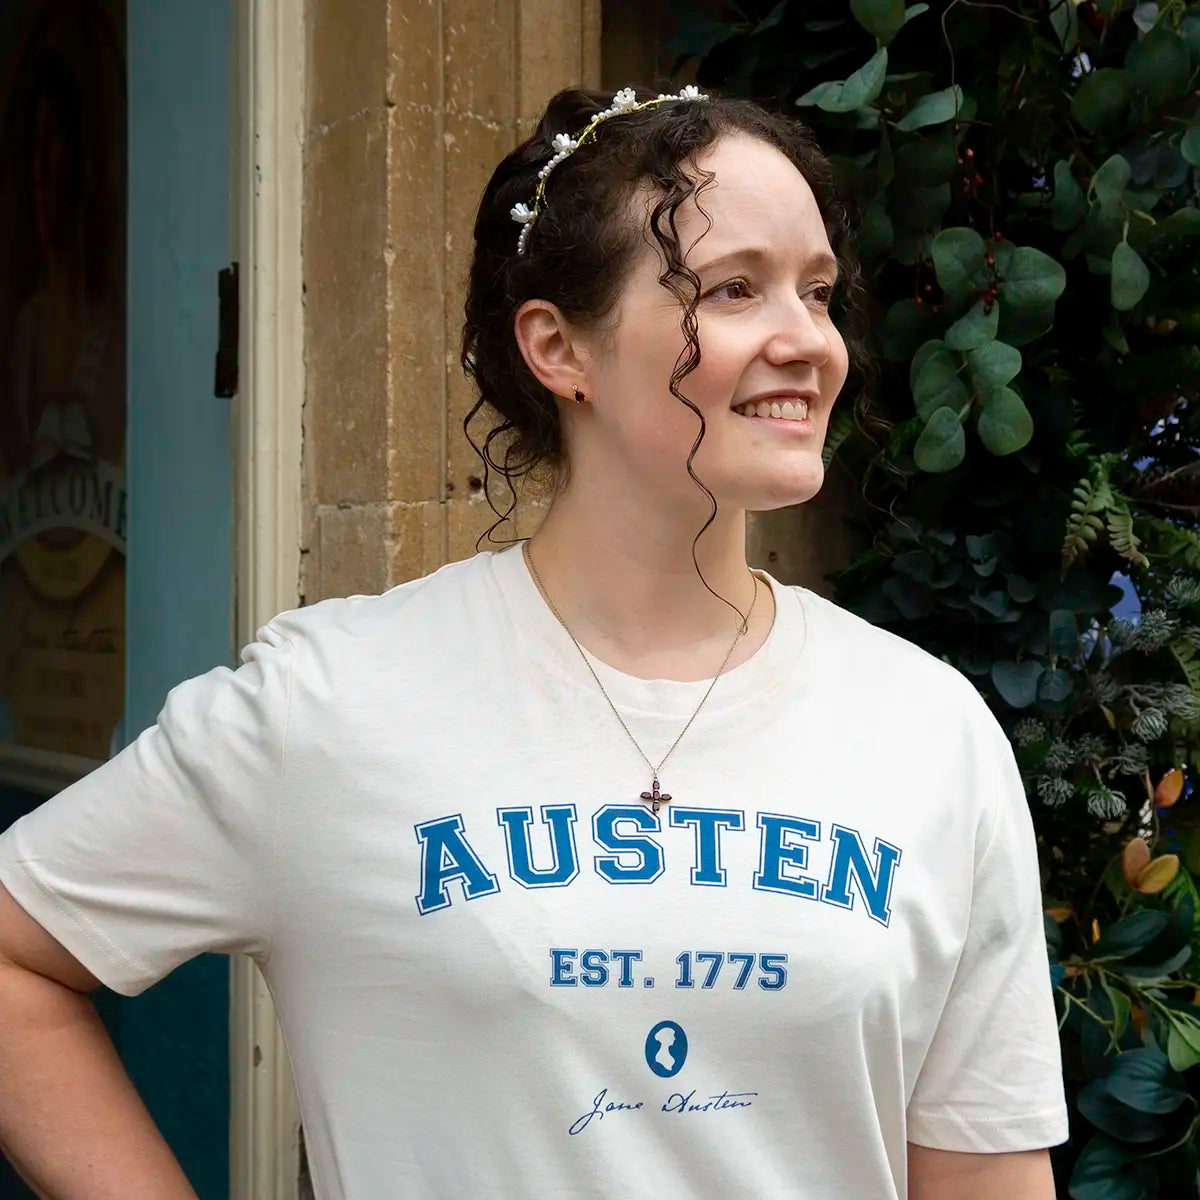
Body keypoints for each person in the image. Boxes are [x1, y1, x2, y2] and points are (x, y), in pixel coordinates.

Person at [0, 85, 1067, 1198]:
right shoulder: (335, 702)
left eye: (817, 292)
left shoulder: (927, 729)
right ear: (560, 347)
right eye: (734, 289)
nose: (809, 342)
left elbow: (984, 1172)